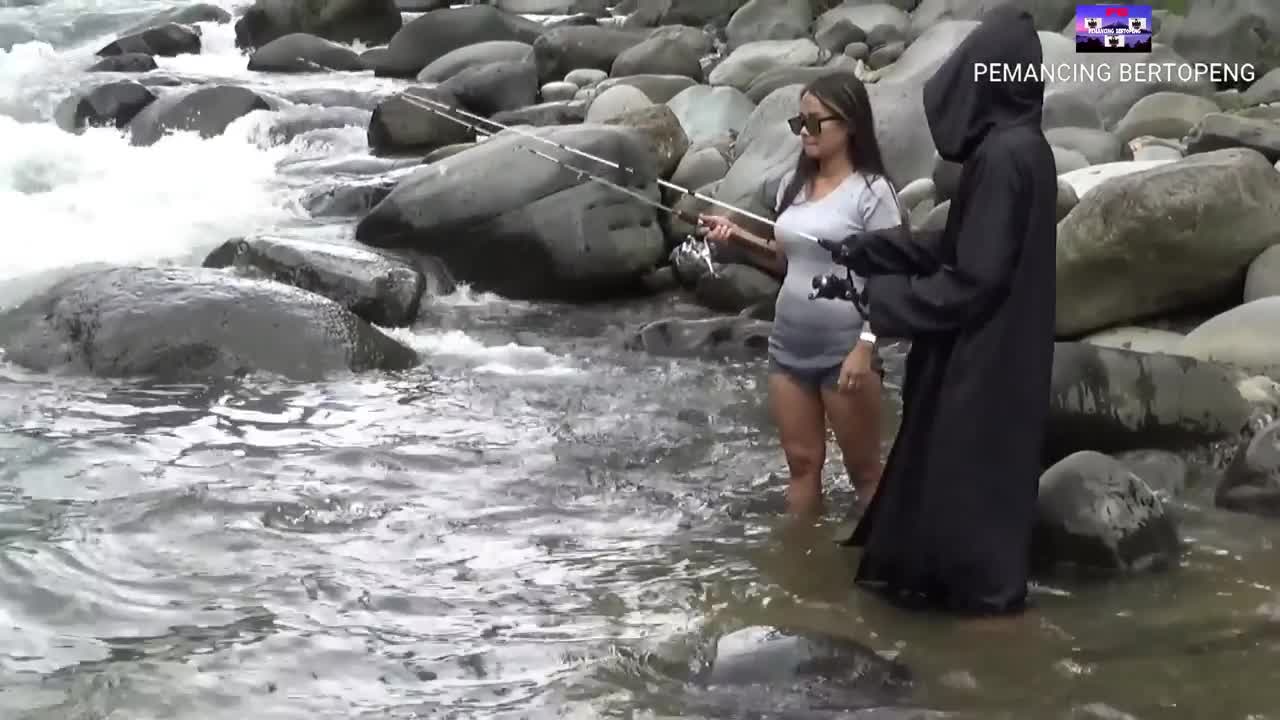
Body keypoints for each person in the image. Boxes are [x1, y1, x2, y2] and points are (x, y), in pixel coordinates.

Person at [835, 6, 1058, 616]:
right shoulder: (1021, 148)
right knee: (961, 485)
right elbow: (963, 244)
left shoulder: (1006, 157)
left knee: (964, 499)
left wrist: (886, 304)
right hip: (1002, 353)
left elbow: (976, 278)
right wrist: (874, 247)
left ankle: (980, 644)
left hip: (984, 361)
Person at [697, 72, 905, 518]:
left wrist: (865, 348)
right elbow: (789, 262)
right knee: (802, 464)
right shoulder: (795, 187)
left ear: (849, 124)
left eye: (814, 123)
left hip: (845, 351)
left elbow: (891, 278)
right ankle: (798, 576)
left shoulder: (873, 193)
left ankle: (884, 568)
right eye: (799, 123)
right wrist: (738, 240)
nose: (804, 134)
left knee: (865, 471)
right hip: (787, 346)